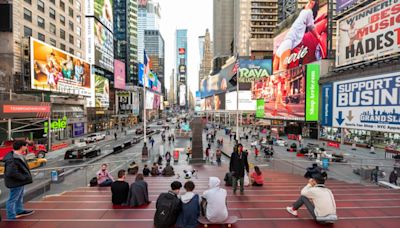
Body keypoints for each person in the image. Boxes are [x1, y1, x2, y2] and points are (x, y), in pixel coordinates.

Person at [273, 0, 324, 72]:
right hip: (288, 43)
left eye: (311, 3)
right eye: (309, 2)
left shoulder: (305, 12)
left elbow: (311, 26)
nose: (309, 4)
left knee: (277, 71)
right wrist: (318, 36)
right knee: (282, 72)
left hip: (284, 44)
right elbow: (312, 27)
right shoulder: (307, 12)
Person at [4, 140, 34, 219]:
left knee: (19, 197)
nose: (26, 147)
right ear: (22, 147)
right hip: (16, 182)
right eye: (26, 146)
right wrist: (23, 177)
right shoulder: (13, 158)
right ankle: (11, 216)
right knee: (12, 199)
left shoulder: (18, 155)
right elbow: (11, 172)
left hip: (19, 182)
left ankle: (19, 210)